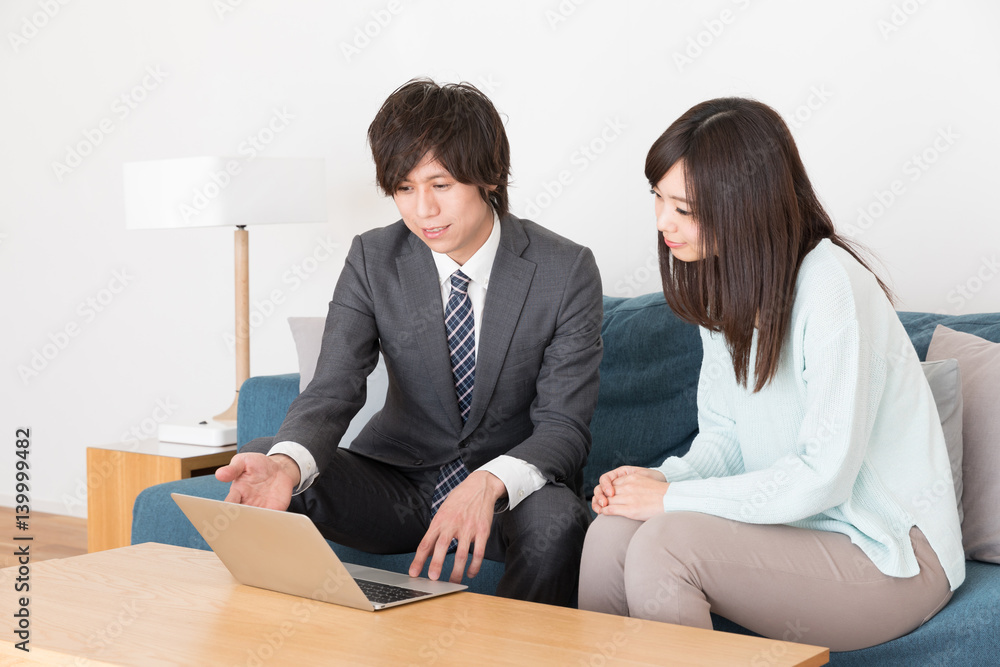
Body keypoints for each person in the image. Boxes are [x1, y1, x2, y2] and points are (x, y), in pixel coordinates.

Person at [578, 97, 964, 651]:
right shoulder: (723, 284)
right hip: (795, 533)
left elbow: (824, 477)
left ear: (745, 204)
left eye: (684, 208)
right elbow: (726, 442)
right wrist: (661, 482)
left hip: (890, 554)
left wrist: (669, 503)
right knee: (611, 531)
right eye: (658, 198)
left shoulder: (831, 285)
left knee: (667, 543)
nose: (663, 221)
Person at [216, 78, 602, 607]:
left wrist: (487, 482)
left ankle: (514, 648)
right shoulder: (374, 258)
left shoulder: (564, 269)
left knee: (559, 520)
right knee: (267, 460)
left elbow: (564, 427)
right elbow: (333, 388)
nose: (423, 210)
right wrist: (286, 464)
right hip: (397, 485)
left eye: (440, 184)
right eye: (404, 188)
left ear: (489, 176)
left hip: (504, 493)